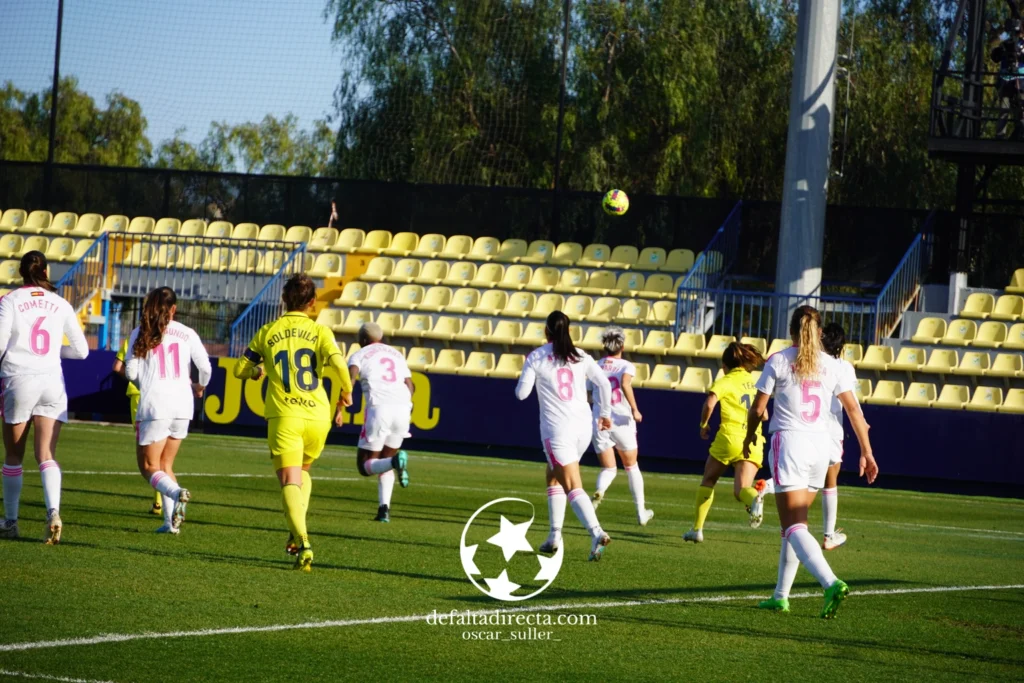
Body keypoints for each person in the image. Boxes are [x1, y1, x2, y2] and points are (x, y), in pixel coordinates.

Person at [744, 305, 877, 618]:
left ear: (791, 330)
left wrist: (750, 436)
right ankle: (780, 595)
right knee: (795, 526)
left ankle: (830, 582)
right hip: (821, 448)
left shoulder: (778, 360)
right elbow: (855, 412)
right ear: (819, 333)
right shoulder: (832, 365)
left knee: (793, 526)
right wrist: (867, 451)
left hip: (790, 443)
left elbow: (758, 408)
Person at [233, 273, 353, 572]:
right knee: (302, 473)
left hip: (285, 415)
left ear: (284, 300)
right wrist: (347, 392)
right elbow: (339, 364)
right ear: (312, 303)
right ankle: (295, 525)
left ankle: (303, 540)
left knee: (289, 480)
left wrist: (255, 373)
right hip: (317, 414)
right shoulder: (321, 331)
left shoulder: (267, 331)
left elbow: (239, 369)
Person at [0, 251, 89, 543]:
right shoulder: (61, 303)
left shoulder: (10, 300)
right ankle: (53, 512)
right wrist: (53, 353)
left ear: (21, 273)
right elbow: (82, 351)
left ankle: (11, 521)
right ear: (46, 272)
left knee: (14, 455)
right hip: (52, 381)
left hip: (19, 377)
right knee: (46, 455)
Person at [516, 311, 614, 561]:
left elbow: (521, 394)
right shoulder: (580, 355)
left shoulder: (537, 356)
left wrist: (527, 375)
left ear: (546, 331)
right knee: (553, 476)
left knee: (571, 484)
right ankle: (554, 536)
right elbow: (603, 383)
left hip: (557, 430)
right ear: (568, 330)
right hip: (583, 428)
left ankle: (596, 532)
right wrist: (604, 413)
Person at [125, 287, 212, 534]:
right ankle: (169, 524)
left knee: (148, 466)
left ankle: (176, 492)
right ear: (174, 308)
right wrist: (198, 386)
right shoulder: (187, 333)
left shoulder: (141, 331)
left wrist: (147, 385)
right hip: (184, 404)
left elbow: (131, 372)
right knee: (166, 465)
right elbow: (205, 368)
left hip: (156, 403)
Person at [683, 342, 767, 543]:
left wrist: (703, 424)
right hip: (753, 439)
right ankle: (754, 497)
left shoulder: (725, 381)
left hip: (730, 437)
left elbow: (710, 403)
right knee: (741, 491)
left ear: (725, 365)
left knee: (709, 480)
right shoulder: (755, 382)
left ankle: (697, 529)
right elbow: (764, 415)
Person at [347, 322, 412, 523]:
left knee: (364, 465)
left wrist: (341, 407)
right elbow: (410, 384)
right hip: (403, 408)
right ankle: (384, 510)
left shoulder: (359, 355)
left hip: (379, 408)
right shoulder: (397, 354)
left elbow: (348, 382)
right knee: (385, 459)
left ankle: (394, 462)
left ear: (363, 340)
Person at [588, 327, 653, 526]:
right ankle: (641, 511)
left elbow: (588, 395)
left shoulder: (596, 366)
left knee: (608, 468)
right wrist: (635, 409)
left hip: (600, 420)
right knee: (631, 466)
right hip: (622, 420)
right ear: (622, 346)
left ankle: (598, 494)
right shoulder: (626, 365)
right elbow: (625, 384)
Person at [113, 337, 163, 516]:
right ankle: (162, 500)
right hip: (161, 395)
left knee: (147, 453)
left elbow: (117, 367)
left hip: (138, 397)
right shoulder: (162, 339)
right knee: (161, 450)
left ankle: (159, 501)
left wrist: (136, 381)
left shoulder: (133, 338)